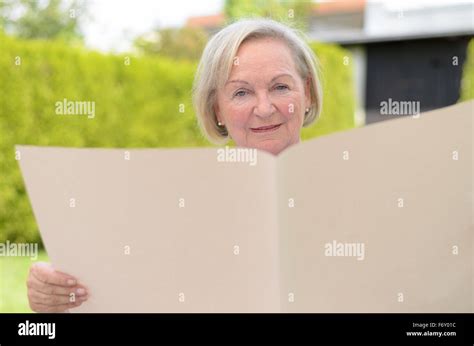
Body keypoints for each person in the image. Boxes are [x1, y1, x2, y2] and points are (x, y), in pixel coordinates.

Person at [26, 17, 323, 312]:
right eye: (241, 92)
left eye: (281, 87)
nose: (264, 108)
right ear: (217, 108)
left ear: (306, 92)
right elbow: (112, 285)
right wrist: (54, 292)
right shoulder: (174, 200)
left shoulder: (350, 187)